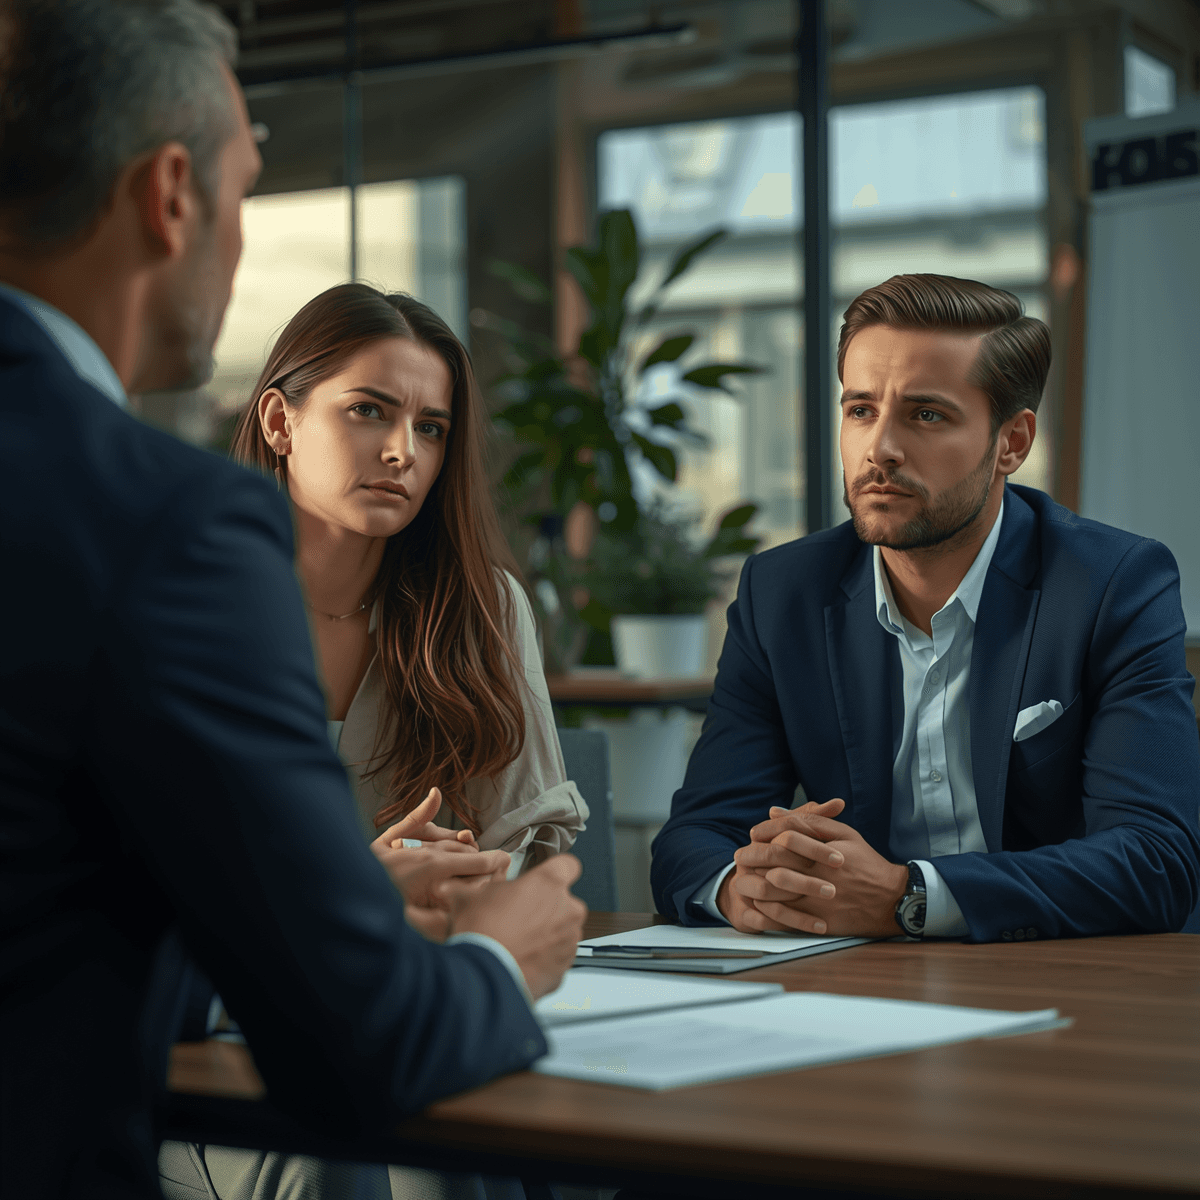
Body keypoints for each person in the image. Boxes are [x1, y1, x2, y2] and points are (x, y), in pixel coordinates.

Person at [0, 3, 585, 1199]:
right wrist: (493, 958)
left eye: (430, 428)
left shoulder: (469, 606)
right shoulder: (168, 527)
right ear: (173, 195)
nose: (401, 453)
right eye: (245, 187)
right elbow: (360, 1046)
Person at [651, 273, 1200, 943]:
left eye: (926, 414)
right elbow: (694, 838)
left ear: (1012, 443)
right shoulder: (783, 592)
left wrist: (906, 896)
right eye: (860, 410)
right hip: (862, 984)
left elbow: (1156, 861)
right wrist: (748, 888)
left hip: (1061, 980)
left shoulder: (1111, 585)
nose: (880, 448)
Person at [230, 283, 588, 882]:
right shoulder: (190, 603)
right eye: (368, 410)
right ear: (278, 422)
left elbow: (529, 836)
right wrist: (358, 892)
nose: (403, 452)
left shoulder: (483, 606)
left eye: (430, 429)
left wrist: (462, 876)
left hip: (438, 958)